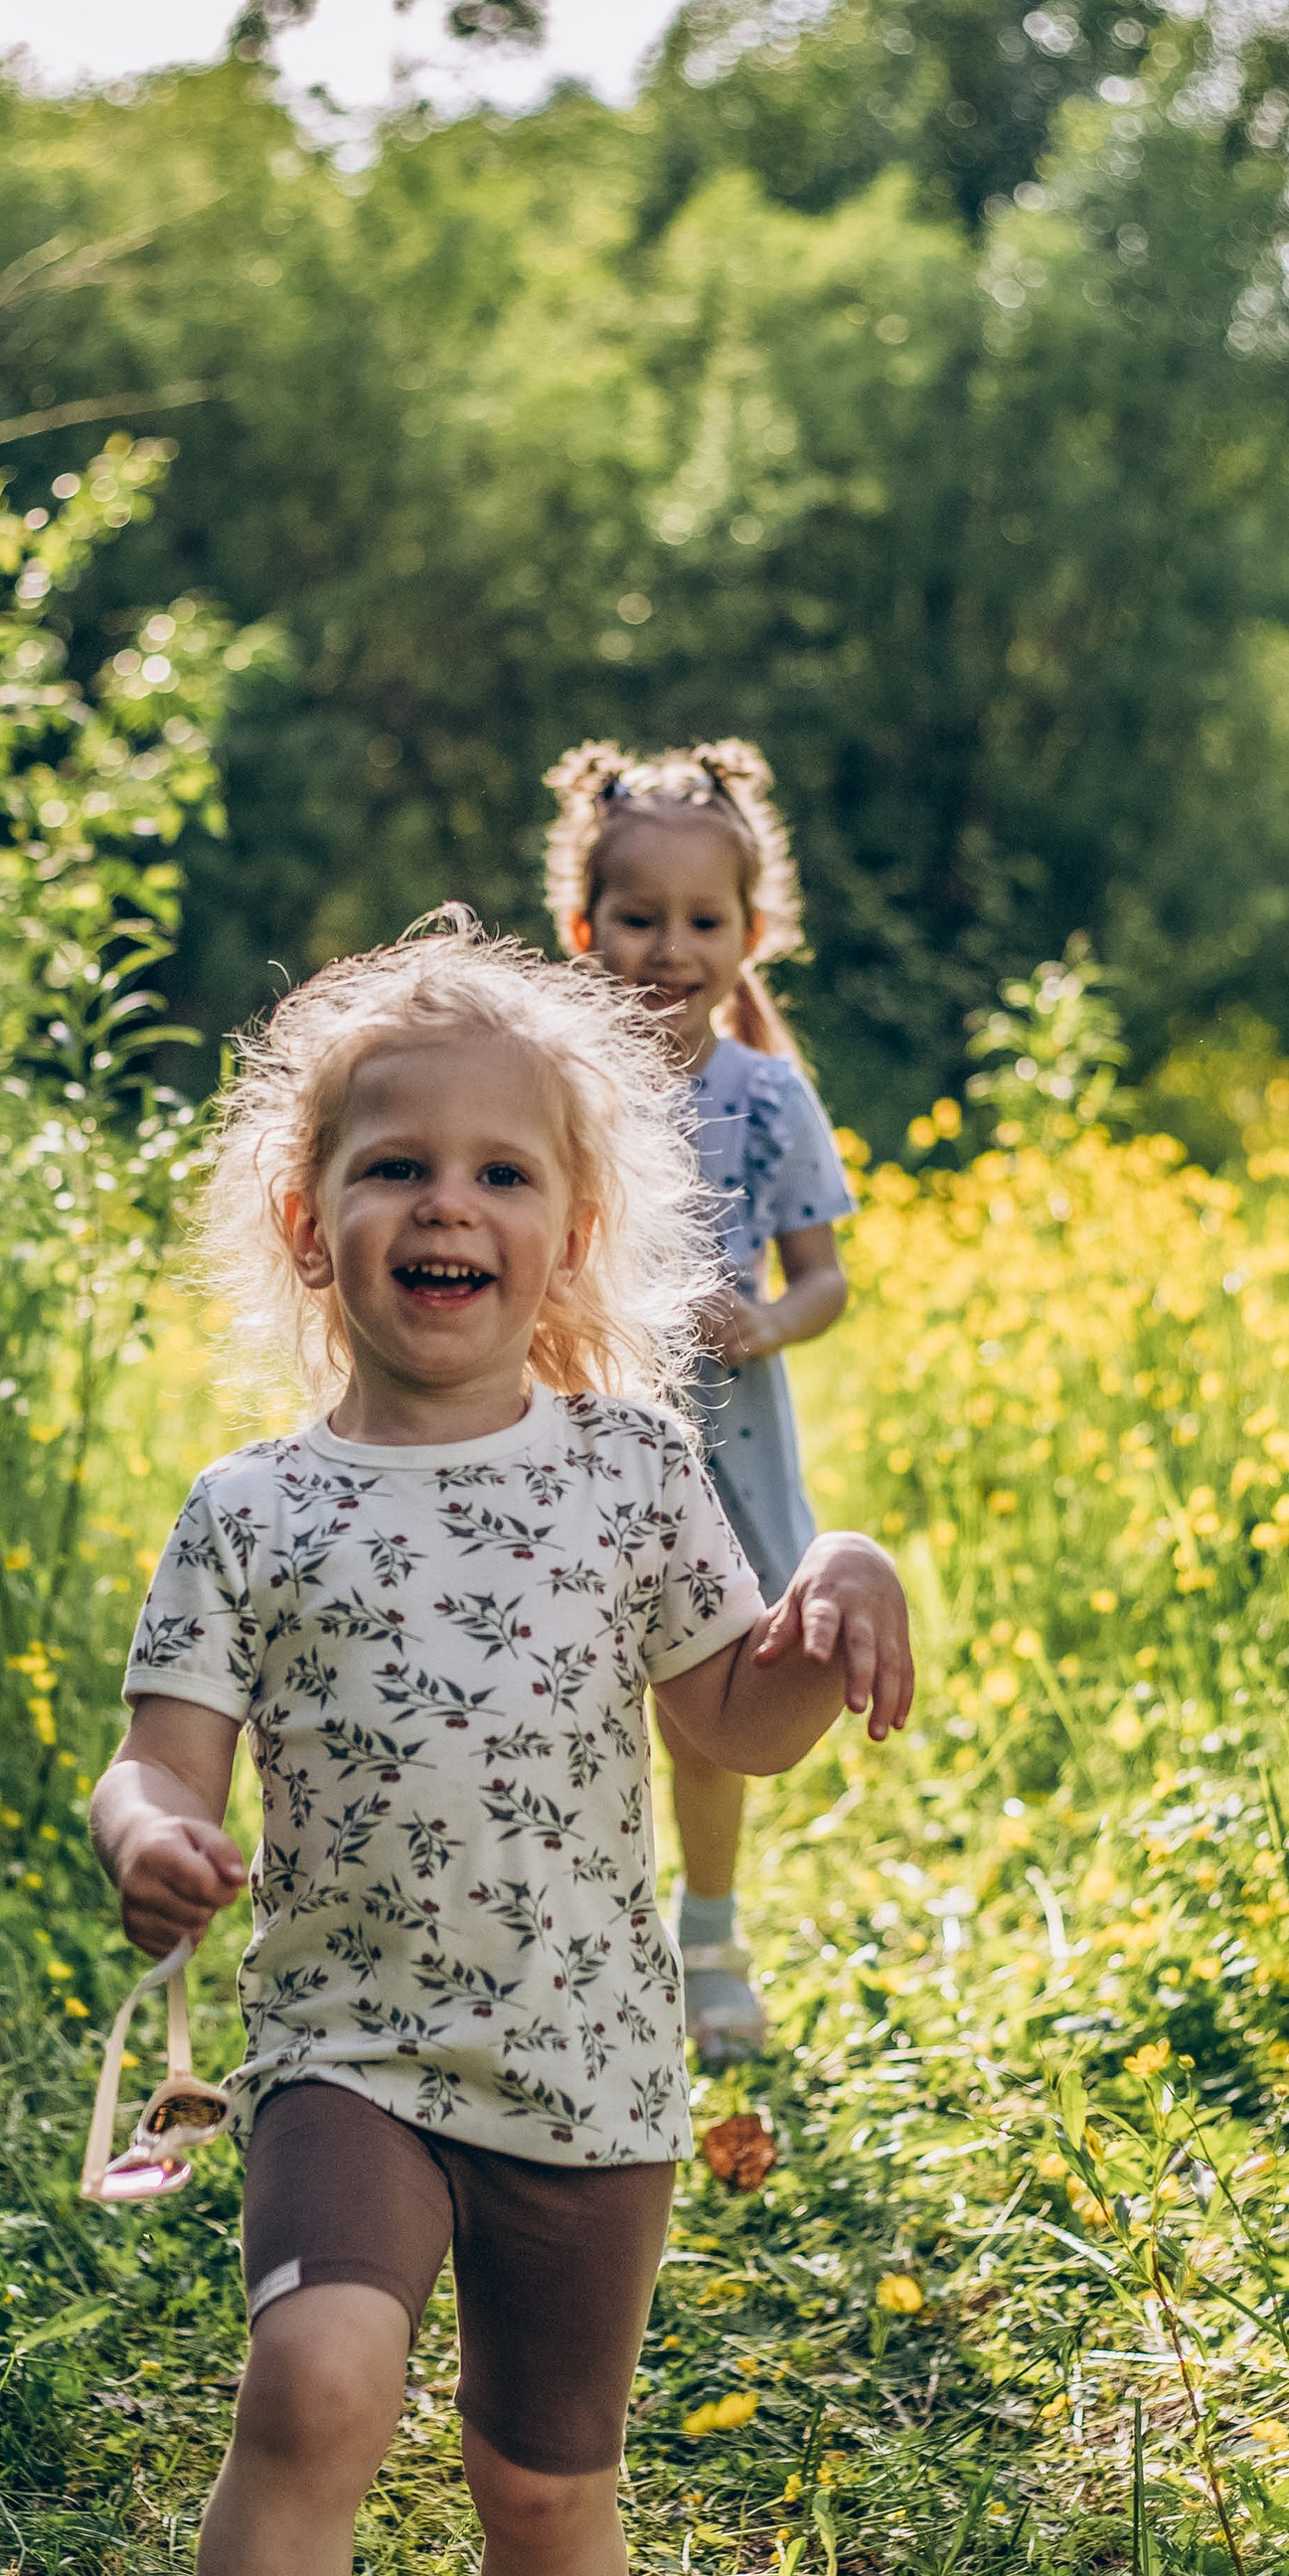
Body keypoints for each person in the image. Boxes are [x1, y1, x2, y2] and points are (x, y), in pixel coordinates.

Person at [35, 917, 912, 2576]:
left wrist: (838, 1582)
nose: (449, 1203)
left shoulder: (630, 1469)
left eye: (502, 1170)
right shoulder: (252, 1509)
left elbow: (736, 1722)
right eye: (395, 1166)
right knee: (314, 2381)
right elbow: (152, 1760)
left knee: (543, 2475)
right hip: (345, 2050)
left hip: (589, 2070)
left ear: (571, 1231)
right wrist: (151, 1834)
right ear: (309, 1222)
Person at [546, 740, 857, 2058]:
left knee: (710, 1702)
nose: (669, 949)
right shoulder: (551, 1087)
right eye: (638, 918)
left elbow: (826, 1277)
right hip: (568, 1444)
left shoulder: (768, 1097)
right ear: (582, 928)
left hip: (722, 1451)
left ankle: (709, 1934)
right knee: (564, 1694)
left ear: (752, 934)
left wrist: (768, 1323)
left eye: (703, 922)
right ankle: (576, 1938)